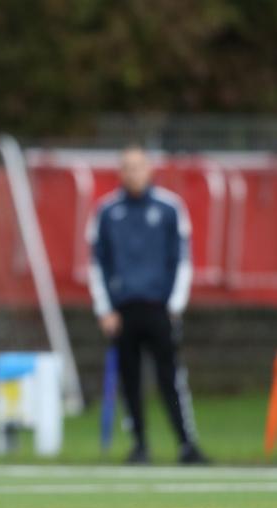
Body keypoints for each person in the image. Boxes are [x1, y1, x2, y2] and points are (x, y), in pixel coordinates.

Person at [86, 146, 208, 465]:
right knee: (130, 379)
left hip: (159, 307)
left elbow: (182, 259)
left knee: (171, 377)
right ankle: (139, 445)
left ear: (149, 169)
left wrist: (175, 304)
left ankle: (186, 444)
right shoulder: (107, 212)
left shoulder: (170, 208)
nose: (133, 173)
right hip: (122, 310)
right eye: (127, 167)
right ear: (120, 172)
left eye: (138, 166)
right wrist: (104, 309)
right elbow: (97, 263)